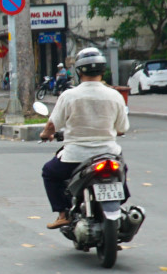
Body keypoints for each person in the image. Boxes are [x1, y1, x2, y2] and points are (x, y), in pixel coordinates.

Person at [38, 46, 128, 230]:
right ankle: (118, 210)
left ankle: (63, 214)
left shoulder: (70, 95)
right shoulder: (115, 96)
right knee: (122, 173)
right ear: (103, 70)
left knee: (49, 172)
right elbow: (122, 128)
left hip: (75, 156)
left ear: (78, 71)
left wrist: (45, 134)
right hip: (109, 155)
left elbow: (52, 124)